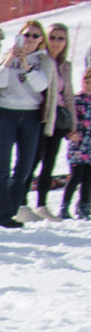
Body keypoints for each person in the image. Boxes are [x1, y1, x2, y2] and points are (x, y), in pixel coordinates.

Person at [0, 20, 55, 227]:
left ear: (41, 40)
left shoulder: (44, 60)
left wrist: (26, 64)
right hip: (5, 113)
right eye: (27, 35)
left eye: (35, 36)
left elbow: (41, 86)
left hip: (30, 116)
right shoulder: (6, 55)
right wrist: (10, 60)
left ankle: (11, 212)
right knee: (2, 167)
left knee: (24, 168)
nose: (30, 39)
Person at [32, 23, 76, 218]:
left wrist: (73, 124)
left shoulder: (65, 66)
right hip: (41, 117)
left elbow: (69, 96)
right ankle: (20, 204)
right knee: (33, 160)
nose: (56, 42)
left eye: (61, 38)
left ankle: (42, 205)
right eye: (53, 37)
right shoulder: (40, 60)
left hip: (58, 120)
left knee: (49, 162)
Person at [62, 66, 91, 218]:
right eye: (87, 82)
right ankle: (64, 206)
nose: (89, 86)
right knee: (76, 177)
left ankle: (84, 207)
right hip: (78, 145)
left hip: (90, 146)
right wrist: (69, 133)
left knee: (88, 179)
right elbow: (68, 120)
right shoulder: (76, 100)